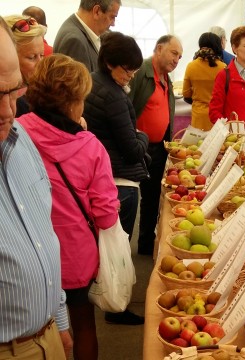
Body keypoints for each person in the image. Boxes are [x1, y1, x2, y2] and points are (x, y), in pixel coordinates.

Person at [17, 54, 119, 360]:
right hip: (75, 257)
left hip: (27, 257)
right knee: (84, 326)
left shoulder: (16, 134)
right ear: (74, 101)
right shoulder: (89, 147)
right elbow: (106, 213)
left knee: (32, 333)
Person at [0, 18, 72, 360]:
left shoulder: (21, 138)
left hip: (47, 337)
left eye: (14, 91)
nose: (7, 110)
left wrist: (58, 320)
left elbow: (43, 235)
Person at [83, 31, 148, 324]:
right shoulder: (112, 96)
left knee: (111, 249)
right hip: (120, 180)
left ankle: (112, 303)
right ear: (110, 63)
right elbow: (132, 149)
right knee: (118, 252)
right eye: (127, 69)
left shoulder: (94, 83)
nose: (130, 76)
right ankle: (116, 307)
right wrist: (144, 139)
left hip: (106, 175)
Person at [128, 34, 183, 255]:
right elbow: (127, 105)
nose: (177, 59)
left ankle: (144, 244)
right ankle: (122, 249)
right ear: (159, 48)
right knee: (130, 198)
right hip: (137, 148)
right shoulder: (141, 72)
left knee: (151, 199)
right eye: (173, 53)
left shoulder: (166, 78)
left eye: (180, 56)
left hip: (158, 148)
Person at [209, 25, 245, 128]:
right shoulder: (223, 76)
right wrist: (229, 129)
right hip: (233, 140)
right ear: (234, 48)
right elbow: (214, 112)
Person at [54, 0, 121, 72]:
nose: (113, 24)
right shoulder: (75, 41)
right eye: (112, 17)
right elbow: (81, 82)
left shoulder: (80, 32)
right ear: (97, 11)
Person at [183, 32, 226, 131]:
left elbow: (186, 94)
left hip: (198, 117)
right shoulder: (223, 67)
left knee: (198, 145)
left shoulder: (191, 66)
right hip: (217, 118)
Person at [3, 15, 45, 117]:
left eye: (42, 55)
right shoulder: (12, 106)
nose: (41, 65)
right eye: (32, 57)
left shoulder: (41, 94)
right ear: (10, 57)